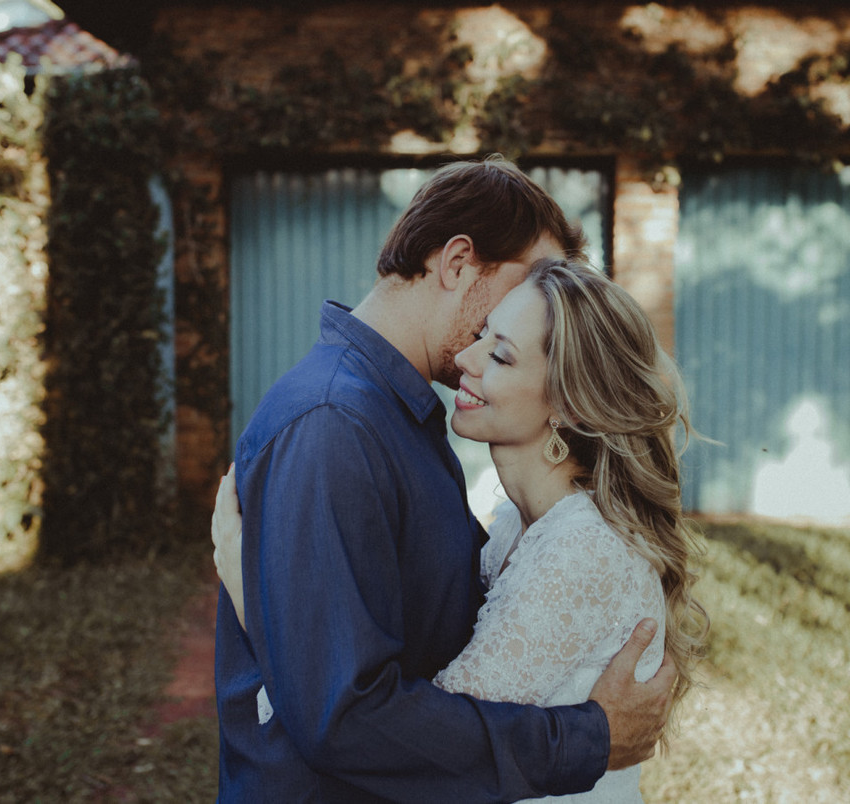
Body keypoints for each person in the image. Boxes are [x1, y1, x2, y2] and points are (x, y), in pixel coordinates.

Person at [213, 156, 676, 803]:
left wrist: (258, 599)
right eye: (533, 280)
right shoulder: (334, 423)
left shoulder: (410, 420)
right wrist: (587, 739)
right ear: (458, 263)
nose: (535, 305)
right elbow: (341, 717)